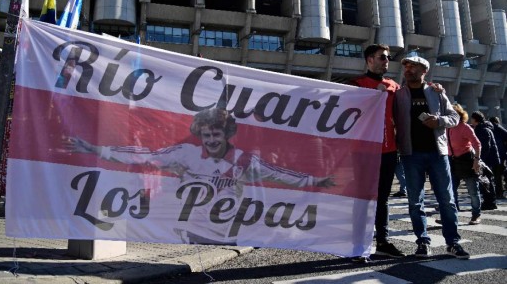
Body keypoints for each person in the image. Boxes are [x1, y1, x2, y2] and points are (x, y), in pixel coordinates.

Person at [66, 108, 335, 245]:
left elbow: (279, 174)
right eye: (206, 135)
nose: (210, 140)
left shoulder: (244, 160)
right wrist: (96, 149)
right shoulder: (186, 153)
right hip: (189, 233)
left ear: (227, 134)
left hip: (228, 236)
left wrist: (314, 181)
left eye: (216, 134)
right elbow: (143, 154)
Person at [394, 55, 469, 259]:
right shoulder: (398, 95)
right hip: (411, 154)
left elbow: (455, 117)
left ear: (423, 71)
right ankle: (422, 242)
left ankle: (453, 243)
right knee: (415, 202)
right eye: (406, 66)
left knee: (447, 200)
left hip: (438, 154)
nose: (408, 69)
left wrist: (440, 121)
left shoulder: (436, 92)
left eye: (413, 66)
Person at [348, 44, 405, 258]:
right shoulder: (356, 84)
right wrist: (372, 94)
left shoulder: (394, 86)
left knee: (382, 198)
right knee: (362, 198)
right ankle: (357, 245)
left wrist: (434, 90)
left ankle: (383, 241)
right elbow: (348, 113)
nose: (386, 61)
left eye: (388, 57)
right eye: (382, 57)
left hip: (388, 150)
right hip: (362, 151)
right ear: (369, 59)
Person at [448, 104, 482, 224]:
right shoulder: (447, 128)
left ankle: (476, 215)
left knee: (473, 191)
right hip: (452, 161)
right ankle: (452, 216)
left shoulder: (465, 127)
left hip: (467, 160)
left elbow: (477, 144)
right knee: (451, 191)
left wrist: (476, 160)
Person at [470, 111, 500, 209]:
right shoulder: (484, 128)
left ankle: (490, 202)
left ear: (475, 119)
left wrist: (480, 160)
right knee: (487, 180)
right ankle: (490, 201)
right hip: (489, 159)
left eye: (472, 119)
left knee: (486, 181)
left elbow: (485, 147)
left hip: (486, 160)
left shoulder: (482, 130)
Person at [489, 116, 507, 198]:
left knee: (496, 174)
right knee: (500, 173)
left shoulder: (489, 129)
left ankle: (498, 192)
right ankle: (500, 192)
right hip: (501, 154)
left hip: (492, 154)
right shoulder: (500, 129)